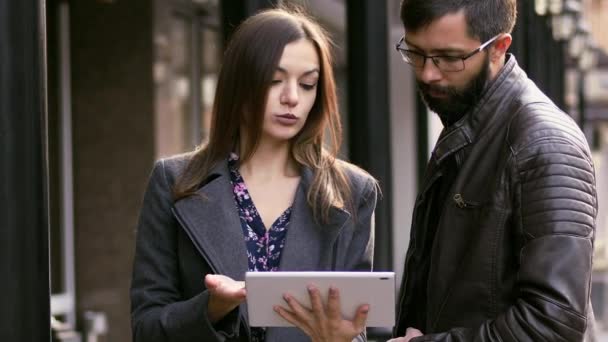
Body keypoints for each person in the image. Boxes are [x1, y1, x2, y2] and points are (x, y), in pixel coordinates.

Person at [129, 7, 378, 342]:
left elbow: (356, 326)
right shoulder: (174, 181)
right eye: (274, 81)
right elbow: (146, 327)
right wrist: (211, 309)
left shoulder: (352, 191)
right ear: (240, 82)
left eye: (308, 84)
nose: (292, 98)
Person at [389, 0, 598, 341]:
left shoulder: (544, 143)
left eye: (449, 58)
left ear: (499, 47)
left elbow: (552, 325)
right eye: (416, 53)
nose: (428, 72)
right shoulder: (466, 127)